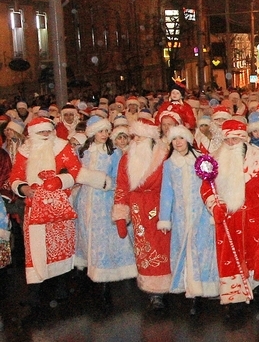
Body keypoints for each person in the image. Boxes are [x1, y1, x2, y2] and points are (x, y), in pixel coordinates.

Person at [8, 117, 106, 313]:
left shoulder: (62, 147)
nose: (45, 135)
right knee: (34, 249)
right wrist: (23, 187)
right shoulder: (24, 151)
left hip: (59, 204)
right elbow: (15, 176)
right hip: (34, 205)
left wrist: (60, 181)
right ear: (33, 133)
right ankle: (34, 292)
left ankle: (61, 287)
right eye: (41, 132)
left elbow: (76, 171)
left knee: (61, 247)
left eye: (47, 131)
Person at [203, 119, 259, 312]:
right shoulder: (214, 159)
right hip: (227, 218)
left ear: (243, 139)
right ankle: (234, 298)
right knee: (230, 257)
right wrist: (214, 205)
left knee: (254, 255)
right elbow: (206, 187)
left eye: (235, 140)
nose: (231, 144)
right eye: (228, 140)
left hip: (252, 217)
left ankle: (254, 291)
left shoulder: (258, 157)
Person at [158, 125, 219, 315]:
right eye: (174, 139)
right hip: (180, 216)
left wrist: (213, 211)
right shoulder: (169, 164)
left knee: (202, 251)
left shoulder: (201, 159)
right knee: (184, 252)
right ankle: (190, 292)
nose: (178, 143)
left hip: (201, 214)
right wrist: (164, 218)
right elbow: (166, 192)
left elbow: (212, 185)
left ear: (188, 140)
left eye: (181, 139)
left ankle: (203, 290)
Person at [113, 118, 172, 309]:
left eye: (139, 136)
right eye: (134, 136)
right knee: (145, 248)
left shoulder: (164, 156)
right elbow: (121, 186)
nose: (135, 140)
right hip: (138, 208)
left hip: (161, 206)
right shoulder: (126, 158)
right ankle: (154, 292)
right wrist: (121, 213)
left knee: (165, 246)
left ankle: (172, 284)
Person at [74, 116, 137, 294]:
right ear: (92, 132)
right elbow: (75, 173)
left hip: (104, 200)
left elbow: (120, 178)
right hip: (86, 200)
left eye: (106, 131)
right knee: (87, 235)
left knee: (104, 239)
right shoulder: (82, 152)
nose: (104, 134)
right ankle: (89, 272)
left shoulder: (113, 152)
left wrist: (106, 184)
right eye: (100, 131)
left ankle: (105, 278)